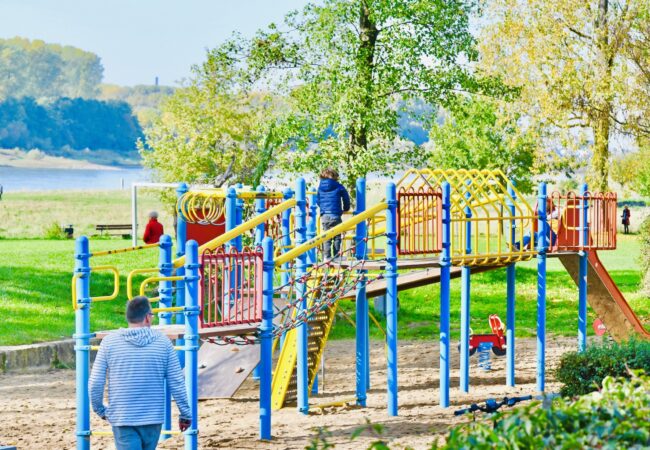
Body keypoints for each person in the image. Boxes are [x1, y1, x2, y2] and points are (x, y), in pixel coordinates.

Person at [89, 296, 191, 450]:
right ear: (147, 318)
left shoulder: (109, 342)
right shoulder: (163, 343)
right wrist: (185, 414)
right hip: (153, 418)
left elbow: (95, 381)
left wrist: (100, 410)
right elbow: (177, 382)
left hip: (122, 416)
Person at [316, 168, 351, 259]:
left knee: (327, 236)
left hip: (325, 215)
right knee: (337, 236)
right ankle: (336, 256)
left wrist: (323, 209)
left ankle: (326, 256)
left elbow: (318, 200)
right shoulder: (338, 186)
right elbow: (346, 197)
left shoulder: (320, 187)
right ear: (335, 177)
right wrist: (346, 208)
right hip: (335, 214)